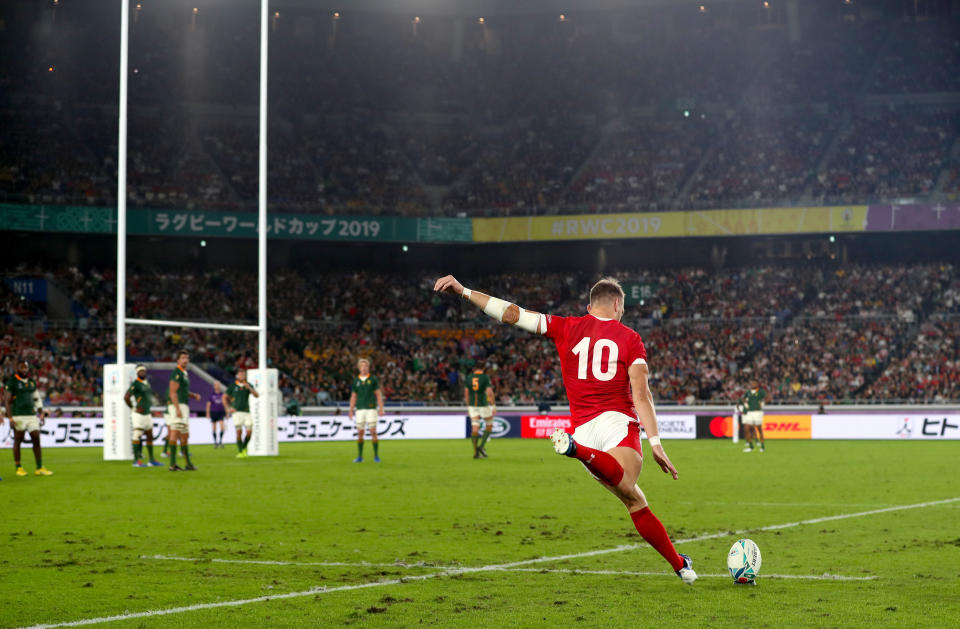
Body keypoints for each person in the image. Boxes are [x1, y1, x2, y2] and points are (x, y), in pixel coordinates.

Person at [434, 275, 697, 585]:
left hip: (583, 428)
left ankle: (680, 564)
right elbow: (642, 394)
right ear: (616, 304)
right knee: (628, 484)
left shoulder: (566, 326)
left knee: (634, 500)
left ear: (589, 307)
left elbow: (511, 313)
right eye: (622, 309)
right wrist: (655, 442)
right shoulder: (630, 337)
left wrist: (464, 291)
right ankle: (575, 450)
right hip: (616, 421)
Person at [4, 360, 53, 477]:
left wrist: (41, 412)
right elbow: (7, 401)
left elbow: (36, 398)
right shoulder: (12, 382)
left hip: (31, 415)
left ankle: (39, 467)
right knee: (18, 440)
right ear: (17, 368)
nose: (25, 370)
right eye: (22, 367)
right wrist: (10, 417)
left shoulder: (31, 382)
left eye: (26, 367)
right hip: (18, 415)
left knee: (36, 438)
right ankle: (18, 467)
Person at [167, 350, 202, 471]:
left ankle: (188, 464)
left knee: (185, 435)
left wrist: (193, 395)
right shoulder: (176, 373)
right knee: (175, 432)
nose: (185, 360)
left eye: (187, 358)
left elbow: (182, 391)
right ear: (178, 360)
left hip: (184, 405)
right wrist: (177, 408)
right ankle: (172, 464)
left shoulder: (184, 373)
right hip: (178, 405)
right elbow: (172, 392)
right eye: (182, 358)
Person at [124, 364, 163, 467]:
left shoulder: (146, 383)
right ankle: (136, 460)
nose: (142, 373)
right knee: (137, 435)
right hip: (139, 414)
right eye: (140, 371)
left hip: (147, 413)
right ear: (137, 373)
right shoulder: (136, 384)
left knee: (150, 435)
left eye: (144, 371)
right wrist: (133, 407)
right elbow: (126, 397)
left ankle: (151, 460)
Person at [349, 358, 384, 463]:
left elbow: (378, 394)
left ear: (368, 368)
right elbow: (353, 396)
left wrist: (381, 408)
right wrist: (351, 410)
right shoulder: (356, 381)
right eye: (362, 366)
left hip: (371, 408)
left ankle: (376, 456)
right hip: (360, 409)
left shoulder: (373, 379)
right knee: (360, 432)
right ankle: (360, 456)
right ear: (359, 368)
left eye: (366, 366)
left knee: (373, 431)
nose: (364, 368)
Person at [224, 369, 259, 458]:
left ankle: (244, 447)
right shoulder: (233, 386)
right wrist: (228, 408)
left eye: (243, 374)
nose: (242, 376)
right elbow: (224, 397)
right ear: (237, 376)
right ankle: (241, 451)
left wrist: (249, 388)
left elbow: (256, 395)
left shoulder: (248, 385)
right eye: (240, 374)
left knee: (249, 432)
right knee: (239, 432)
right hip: (237, 412)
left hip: (247, 411)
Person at [464, 365, 496, 459]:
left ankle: (475, 452)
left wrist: (468, 406)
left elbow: (466, 393)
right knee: (489, 425)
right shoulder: (485, 377)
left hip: (473, 406)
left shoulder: (469, 378)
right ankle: (481, 446)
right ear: (483, 369)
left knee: (475, 428)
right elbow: (489, 392)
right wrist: (493, 405)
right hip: (483, 405)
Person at [739, 380, 766, 452]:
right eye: (752, 383)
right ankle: (751, 446)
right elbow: (743, 398)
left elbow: (768, 397)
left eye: (754, 383)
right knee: (746, 429)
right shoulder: (748, 392)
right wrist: (745, 403)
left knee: (759, 429)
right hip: (749, 412)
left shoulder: (761, 391)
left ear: (757, 384)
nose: (752, 384)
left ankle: (762, 446)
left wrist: (763, 403)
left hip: (757, 412)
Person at [206, 381, 227, 448]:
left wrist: (227, 412)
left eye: (218, 385)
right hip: (213, 412)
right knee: (214, 428)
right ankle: (215, 442)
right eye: (216, 385)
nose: (217, 386)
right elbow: (208, 404)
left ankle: (220, 441)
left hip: (221, 412)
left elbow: (225, 404)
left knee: (222, 427)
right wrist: (208, 413)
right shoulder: (212, 395)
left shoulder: (222, 395)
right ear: (214, 386)